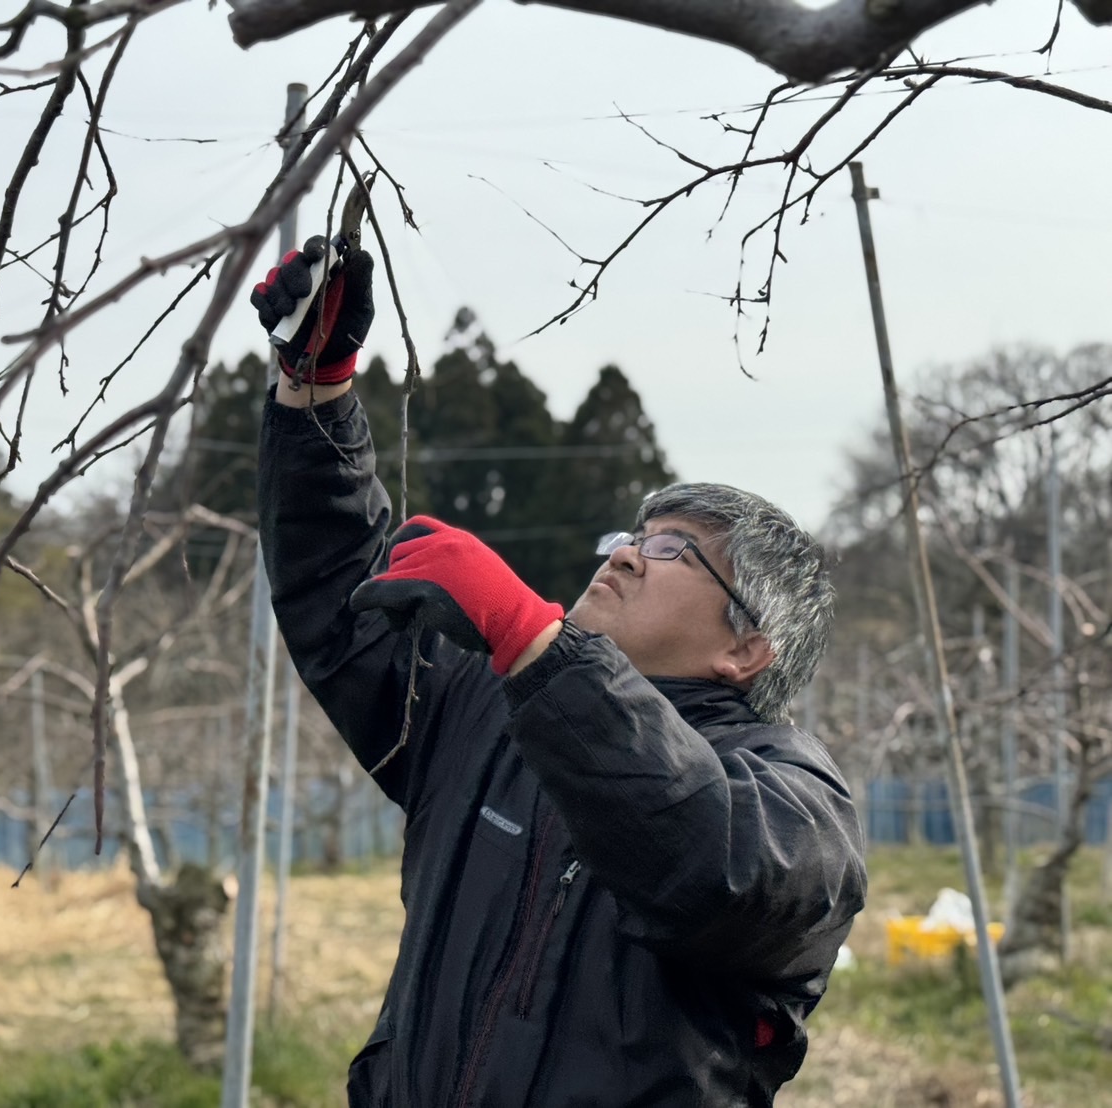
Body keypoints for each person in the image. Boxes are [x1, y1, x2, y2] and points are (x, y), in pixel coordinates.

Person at [250, 237, 867, 1107]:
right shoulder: (491, 716)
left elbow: (703, 864)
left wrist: (531, 637)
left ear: (746, 647)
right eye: (628, 537)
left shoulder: (793, 804)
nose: (623, 558)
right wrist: (316, 388)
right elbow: (345, 595)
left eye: (672, 552)